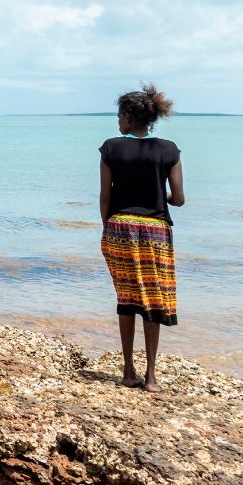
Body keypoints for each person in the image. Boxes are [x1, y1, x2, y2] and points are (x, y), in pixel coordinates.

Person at [99, 84, 185, 392]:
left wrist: (107, 228)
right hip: (155, 231)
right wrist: (157, 194)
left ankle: (127, 371)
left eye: (119, 115)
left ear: (127, 116)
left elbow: (104, 196)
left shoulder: (110, 147)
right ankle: (150, 378)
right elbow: (179, 199)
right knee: (152, 300)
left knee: (126, 299)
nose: (117, 122)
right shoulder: (169, 149)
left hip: (120, 227)